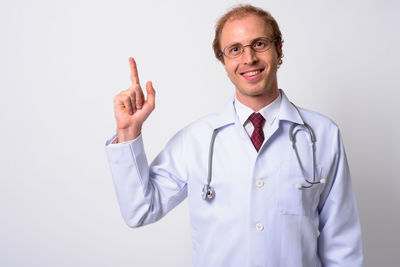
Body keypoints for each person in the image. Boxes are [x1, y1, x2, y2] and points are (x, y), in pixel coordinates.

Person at [105, 4, 363, 267]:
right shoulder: (196, 140)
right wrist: (128, 131)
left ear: (279, 50)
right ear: (223, 60)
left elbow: (342, 243)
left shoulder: (322, 134)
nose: (248, 58)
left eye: (259, 44)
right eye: (235, 49)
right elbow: (140, 210)